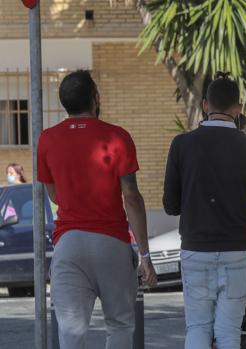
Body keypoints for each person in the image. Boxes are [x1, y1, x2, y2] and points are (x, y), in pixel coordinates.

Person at [163, 73, 246, 349]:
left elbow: (170, 205)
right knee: (229, 331)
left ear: (206, 105)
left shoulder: (182, 145)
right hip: (236, 250)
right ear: (238, 109)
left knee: (197, 327)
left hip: (196, 249)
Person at [37, 70, 157, 349]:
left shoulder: (47, 140)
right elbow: (132, 196)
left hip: (68, 244)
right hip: (111, 243)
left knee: (71, 333)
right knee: (120, 324)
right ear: (96, 98)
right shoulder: (118, 137)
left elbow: (53, 193)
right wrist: (145, 255)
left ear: (64, 102)